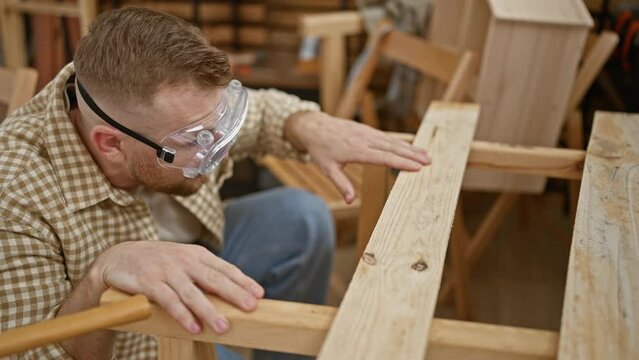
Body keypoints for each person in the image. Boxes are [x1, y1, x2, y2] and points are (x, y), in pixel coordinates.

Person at [0, 7, 430, 360]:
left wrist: (307, 123)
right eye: (200, 141)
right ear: (110, 144)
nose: (221, 150)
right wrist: (100, 279)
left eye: (222, 120)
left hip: (193, 251)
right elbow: (36, 353)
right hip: (132, 339)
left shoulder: (153, 107)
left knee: (301, 217)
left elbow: (260, 114)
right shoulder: (14, 194)